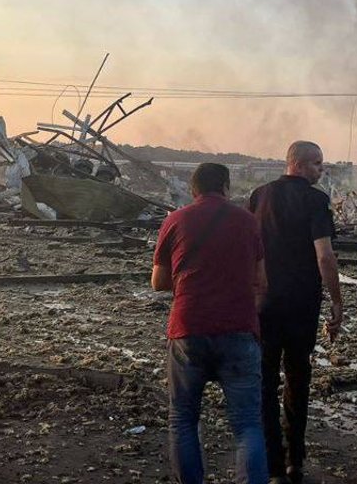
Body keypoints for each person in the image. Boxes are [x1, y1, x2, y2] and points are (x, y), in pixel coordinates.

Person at [152, 163, 269, 484]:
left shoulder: (175, 220)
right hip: (239, 330)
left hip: (188, 328)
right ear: (227, 187)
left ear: (193, 189)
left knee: (184, 419)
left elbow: (158, 281)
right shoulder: (248, 222)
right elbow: (262, 283)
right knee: (247, 424)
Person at [249, 141, 343, 484]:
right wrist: (336, 300)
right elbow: (325, 256)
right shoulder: (316, 200)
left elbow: (249, 250)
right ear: (298, 165)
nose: (321, 170)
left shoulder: (259, 196)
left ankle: (273, 465)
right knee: (298, 378)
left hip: (264, 303)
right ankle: (295, 461)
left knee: (265, 382)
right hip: (302, 305)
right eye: (317, 164)